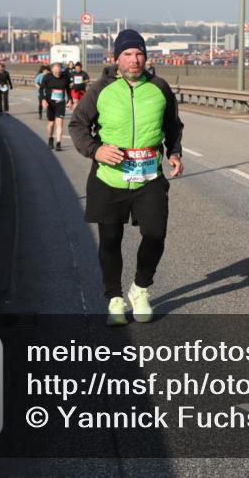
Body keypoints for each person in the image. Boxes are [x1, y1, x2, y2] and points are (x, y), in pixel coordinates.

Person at [69, 29, 184, 326]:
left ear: (146, 57)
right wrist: (96, 150)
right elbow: (78, 125)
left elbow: (173, 125)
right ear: (116, 58)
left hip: (148, 178)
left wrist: (174, 152)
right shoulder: (100, 88)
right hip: (110, 178)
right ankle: (114, 298)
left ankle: (140, 289)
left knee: (156, 234)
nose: (134, 60)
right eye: (128, 54)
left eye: (139, 54)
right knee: (110, 240)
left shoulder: (159, 87)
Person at [40, 62, 73, 150]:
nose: (58, 73)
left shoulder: (65, 77)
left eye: (59, 71)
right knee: (51, 124)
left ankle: (58, 143)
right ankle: (50, 138)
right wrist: (43, 100)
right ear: (52, 70)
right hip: (50, 103)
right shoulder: (47, 77)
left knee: (60, 123)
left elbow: (68, 90)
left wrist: (70, 100)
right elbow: (41, 89)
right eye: (56, 72)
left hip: (60, 103)